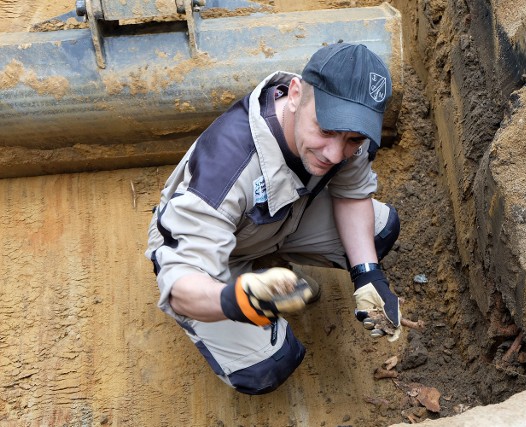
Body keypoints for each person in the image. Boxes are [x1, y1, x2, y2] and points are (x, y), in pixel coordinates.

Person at [145, 42, 402, 395]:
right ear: (295, 94)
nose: (335, 152)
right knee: (267, 366)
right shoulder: (225, 168)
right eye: (325, 131)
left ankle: (268, 260)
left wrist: (368, 275)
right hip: (204, 253)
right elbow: (180, 286)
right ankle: (243, 284)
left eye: (353, 139)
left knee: (381, 230)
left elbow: (352, 191)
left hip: (278, 219)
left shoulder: (347, 130)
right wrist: (237, 299)